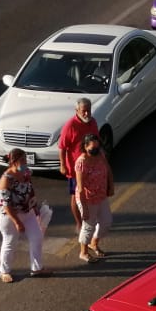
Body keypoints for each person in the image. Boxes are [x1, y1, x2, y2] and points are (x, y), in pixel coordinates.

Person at [0, 148, 52, 282]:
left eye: (25, 160)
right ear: (13, 162)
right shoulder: (6, 179)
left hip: (27, 211)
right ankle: (4, 272)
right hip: (9, 216)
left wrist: (35, 208)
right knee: (10, 242)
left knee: (37, 237)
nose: (25, 163)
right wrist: (17, 222)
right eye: (22, 160)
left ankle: (37, 268)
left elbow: (30, 191)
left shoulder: (25, 173)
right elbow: (6, 204)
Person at [59, 97, 100, 231]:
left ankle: (92, 218)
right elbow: (62, 147)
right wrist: (63, 165)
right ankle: (79, 223)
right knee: (76, 196)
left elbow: (97, 142)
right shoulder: (70, 126)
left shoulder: (92, 122)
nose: (87, 114)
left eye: (89, 110)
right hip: (76, 169)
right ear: (77, 110)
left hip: (92, 166)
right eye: (84, 111)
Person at [74, 133, 113, 263]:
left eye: (97, 147)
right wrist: (84, 208)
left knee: (106, 222)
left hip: (101, 196)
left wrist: (110, 186)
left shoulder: (100, 155)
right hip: (88, 199)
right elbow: (80, 188)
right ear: (85, 147)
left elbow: (108, 169)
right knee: (88, 225)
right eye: (92, 149)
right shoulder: (81, 163)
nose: (95, 151)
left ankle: (94, 243)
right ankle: (83, 252)